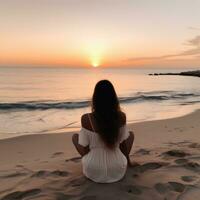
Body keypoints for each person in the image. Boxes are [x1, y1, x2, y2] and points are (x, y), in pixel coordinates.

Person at [72, 80, 134, 183]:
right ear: (114, 98)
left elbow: (85, 149)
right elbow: (123, 146)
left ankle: (93, 160)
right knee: (130, 135)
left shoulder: (86, 118)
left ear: (95, 98)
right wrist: (129, 163)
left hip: (93, 171)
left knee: (75, 137)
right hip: (117, 169)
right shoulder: (121, 116)